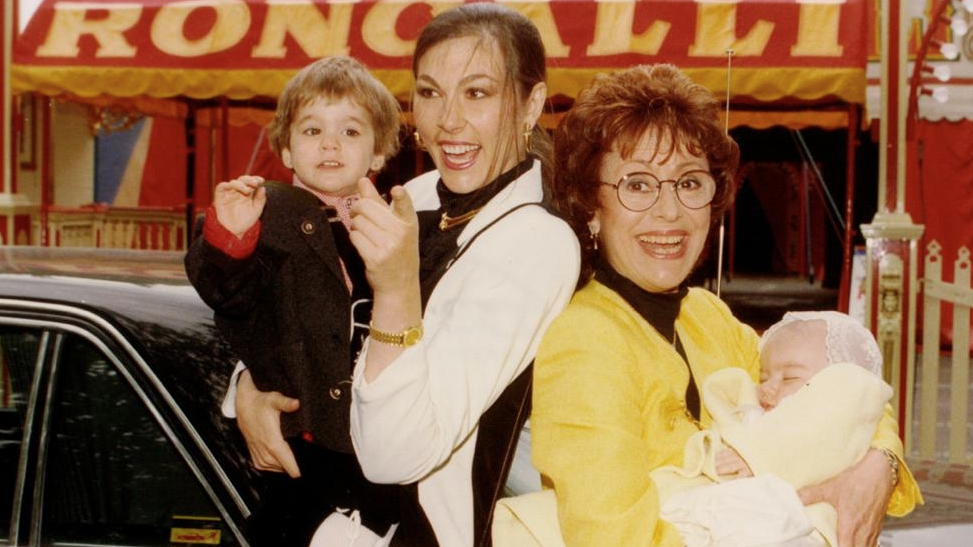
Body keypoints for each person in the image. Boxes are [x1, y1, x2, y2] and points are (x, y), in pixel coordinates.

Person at [231, 4, 580, 546]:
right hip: (326, 513)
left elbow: (396, 454)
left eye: (478, 92)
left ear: (531, 103)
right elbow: (301, 298)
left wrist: (395, 291)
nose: (449, 121)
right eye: (431, 92)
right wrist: (250, 384)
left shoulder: (536, 241)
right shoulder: (411, 198)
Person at [529, 63, 921, 547]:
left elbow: (836, 379)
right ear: (591, 206)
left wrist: (878, 462)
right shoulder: (583, 340)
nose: (669, 212)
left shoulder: (705, 315)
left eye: (689, 182)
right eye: (637, 184)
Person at [184, 55, 402, 547]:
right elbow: (227, 295)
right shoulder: (268, 213)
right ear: (284, 147)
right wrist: (230, 238)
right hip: (305, 445)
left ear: (379, 151)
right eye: (311, 131)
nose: (329, 143)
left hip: (378, 443)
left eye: (350, 131)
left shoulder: (394, 223)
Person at [654, 311, 923, 547]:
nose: (768, 387)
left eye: (790, 377)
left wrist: (755, 454)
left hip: (805, 526)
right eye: (764, 377)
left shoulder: (831, 410)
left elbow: (839, 412)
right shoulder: (771, 403)